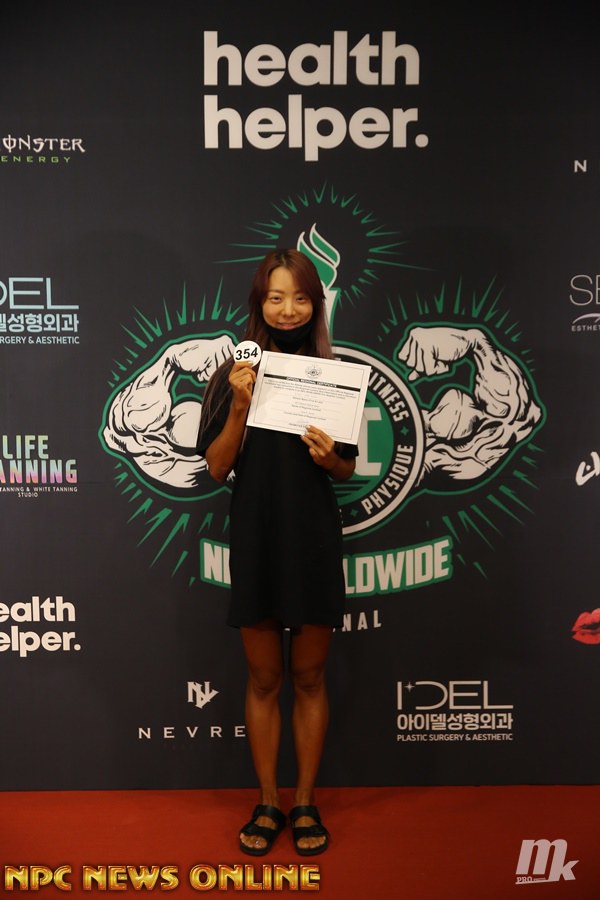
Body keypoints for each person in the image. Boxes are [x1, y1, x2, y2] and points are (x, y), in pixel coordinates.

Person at [197, 249, 357, 856]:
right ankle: (268, 801)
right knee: (264, 678)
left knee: (310, 675)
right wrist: (241, 404)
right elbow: (217, 468)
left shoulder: (333, 375)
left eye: (300, 297)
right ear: (258, 303)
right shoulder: (231, 375)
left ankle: (306, 802)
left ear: (316, 304)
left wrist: (331, 458)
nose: (288, 309)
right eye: (275, 297)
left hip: (312, 537)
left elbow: (346, 468)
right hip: (256, 536)